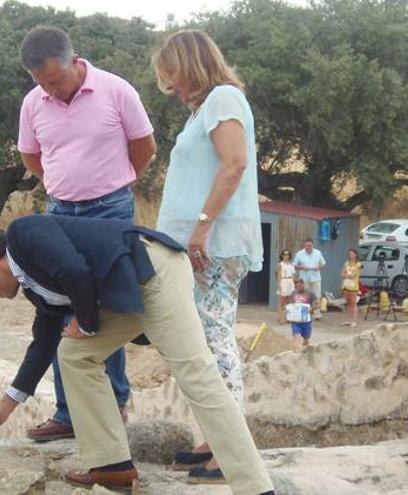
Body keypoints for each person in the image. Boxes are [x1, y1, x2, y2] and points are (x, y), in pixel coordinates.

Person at [0, 215, 275, 495]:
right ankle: (112, 465)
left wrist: (85, 322)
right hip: (127, 289)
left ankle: (256, 487)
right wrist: (5, 406)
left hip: (154, 271)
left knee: (197, 374)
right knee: (73, 354)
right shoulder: (32, 286)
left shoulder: (23, 232)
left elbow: (75, 270)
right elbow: (43, 345)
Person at [17, 25, 157, 442]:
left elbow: (144, 147)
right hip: (60, 212)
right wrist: (62, 182)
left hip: (111, 209)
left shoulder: (117, 91)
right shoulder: (33, 103)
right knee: (62, 307)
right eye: (42, 84)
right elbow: (30, 154)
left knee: (106, 307)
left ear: (74, 61)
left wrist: (116, 181)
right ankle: (67, 413)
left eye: (56, 81)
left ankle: (112, 404)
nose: (51, 90)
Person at [151, 30, 264, 483]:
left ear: (191, 66)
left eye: (173, 78)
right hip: (199, 246)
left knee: (215, 343)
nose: (172, 89)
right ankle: (214, 439)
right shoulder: (207, 107)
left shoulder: (221, 99)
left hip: (212, 245)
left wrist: (201, 226)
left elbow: (233, 164)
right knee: (201, 344)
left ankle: (232, 450)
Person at [293, 239, 326, 319]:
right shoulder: (299, 253)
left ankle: (317, 314)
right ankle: (304, 313)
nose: (308, 247)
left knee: (317, 296)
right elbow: (294, 265)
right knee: (304, 296)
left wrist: (319, 268)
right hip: (304, 279)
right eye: (306, 245)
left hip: (316, 278)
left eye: (310, 245)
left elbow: (323, 264)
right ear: (304, 246)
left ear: (312, 245)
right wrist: (301, 267)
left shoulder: (318, 253)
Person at [288, 278, 318, 347]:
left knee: (306, 339)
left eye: (300, 286)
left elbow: (317, 304)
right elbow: (291, 304)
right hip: (296, 321)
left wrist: (312, 308)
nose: (298, 288)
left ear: (303, 285)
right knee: (296, 336)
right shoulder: (293, 293)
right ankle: (296, 351)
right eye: (296, 287)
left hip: (306, 320)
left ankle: (305, 348)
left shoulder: (310, 293)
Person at [341, 249, 361, 327]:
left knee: (353, 303)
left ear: (355, 255)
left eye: (352, 254)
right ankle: (348, 319)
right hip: (346, 284)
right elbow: (342, 273)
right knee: (348, 302)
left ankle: (354, 320)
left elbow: (354, 275)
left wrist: (347, 275)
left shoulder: (358, 264)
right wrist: (347, 275)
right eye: (349, 254)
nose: (350, 255)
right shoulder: (346, 263)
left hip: (353, 285)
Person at [276, 250, 296, 324]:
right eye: (284, 254)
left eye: (288, 254)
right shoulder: (280, 264)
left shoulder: (291, 265)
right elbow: (278, 275)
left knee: (289, 301)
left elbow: (293, 275)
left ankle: (288, 317)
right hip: (283, 281)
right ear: (282, 255)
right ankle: (281, 318)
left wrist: (295, 284)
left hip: (290, 281)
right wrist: (279, 285)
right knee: (282, 301)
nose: (286, 256)